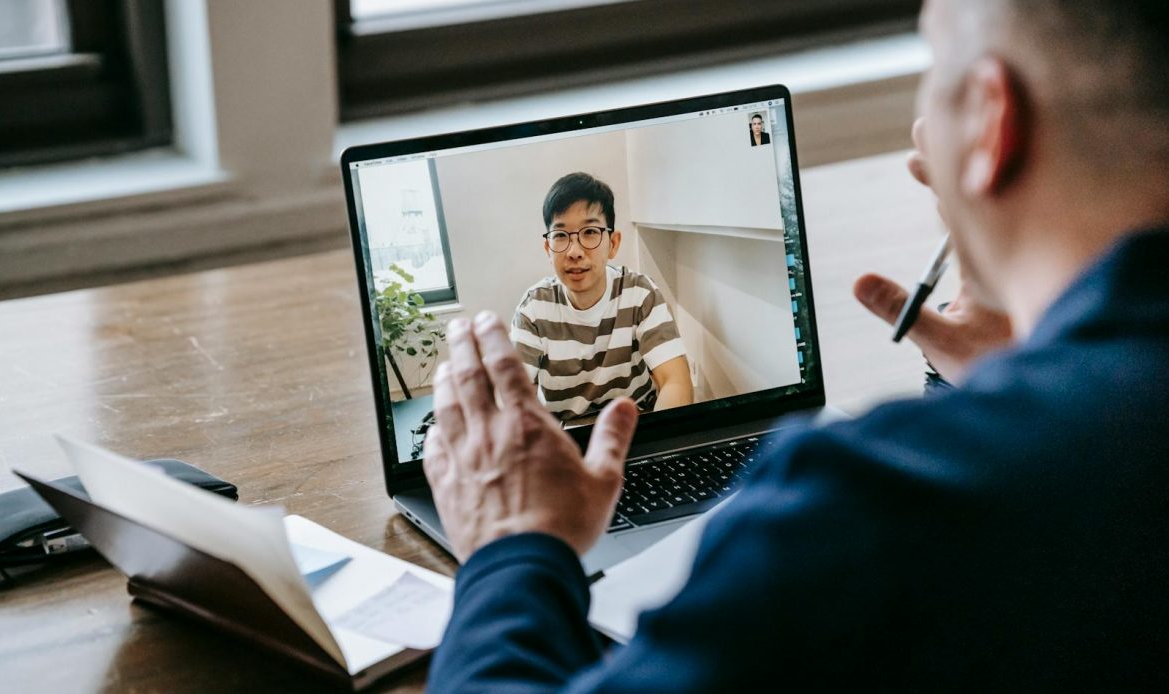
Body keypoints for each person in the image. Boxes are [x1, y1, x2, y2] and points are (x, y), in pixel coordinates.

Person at [424, 0, 1169, 689]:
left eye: (930, 66)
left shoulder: (856, 508)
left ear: (986, 123)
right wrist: (1019, 378)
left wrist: (510, 548)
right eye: (563, 234)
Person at [511, 172, 694, 422]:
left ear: (613, 243)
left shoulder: (640, 294)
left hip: (638, 430)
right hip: (568, 441)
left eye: (589, 232)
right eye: (561, 236)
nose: (575, 252)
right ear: (548, 248)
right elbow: (514, 400)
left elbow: (676, 381)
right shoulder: (533, 309)